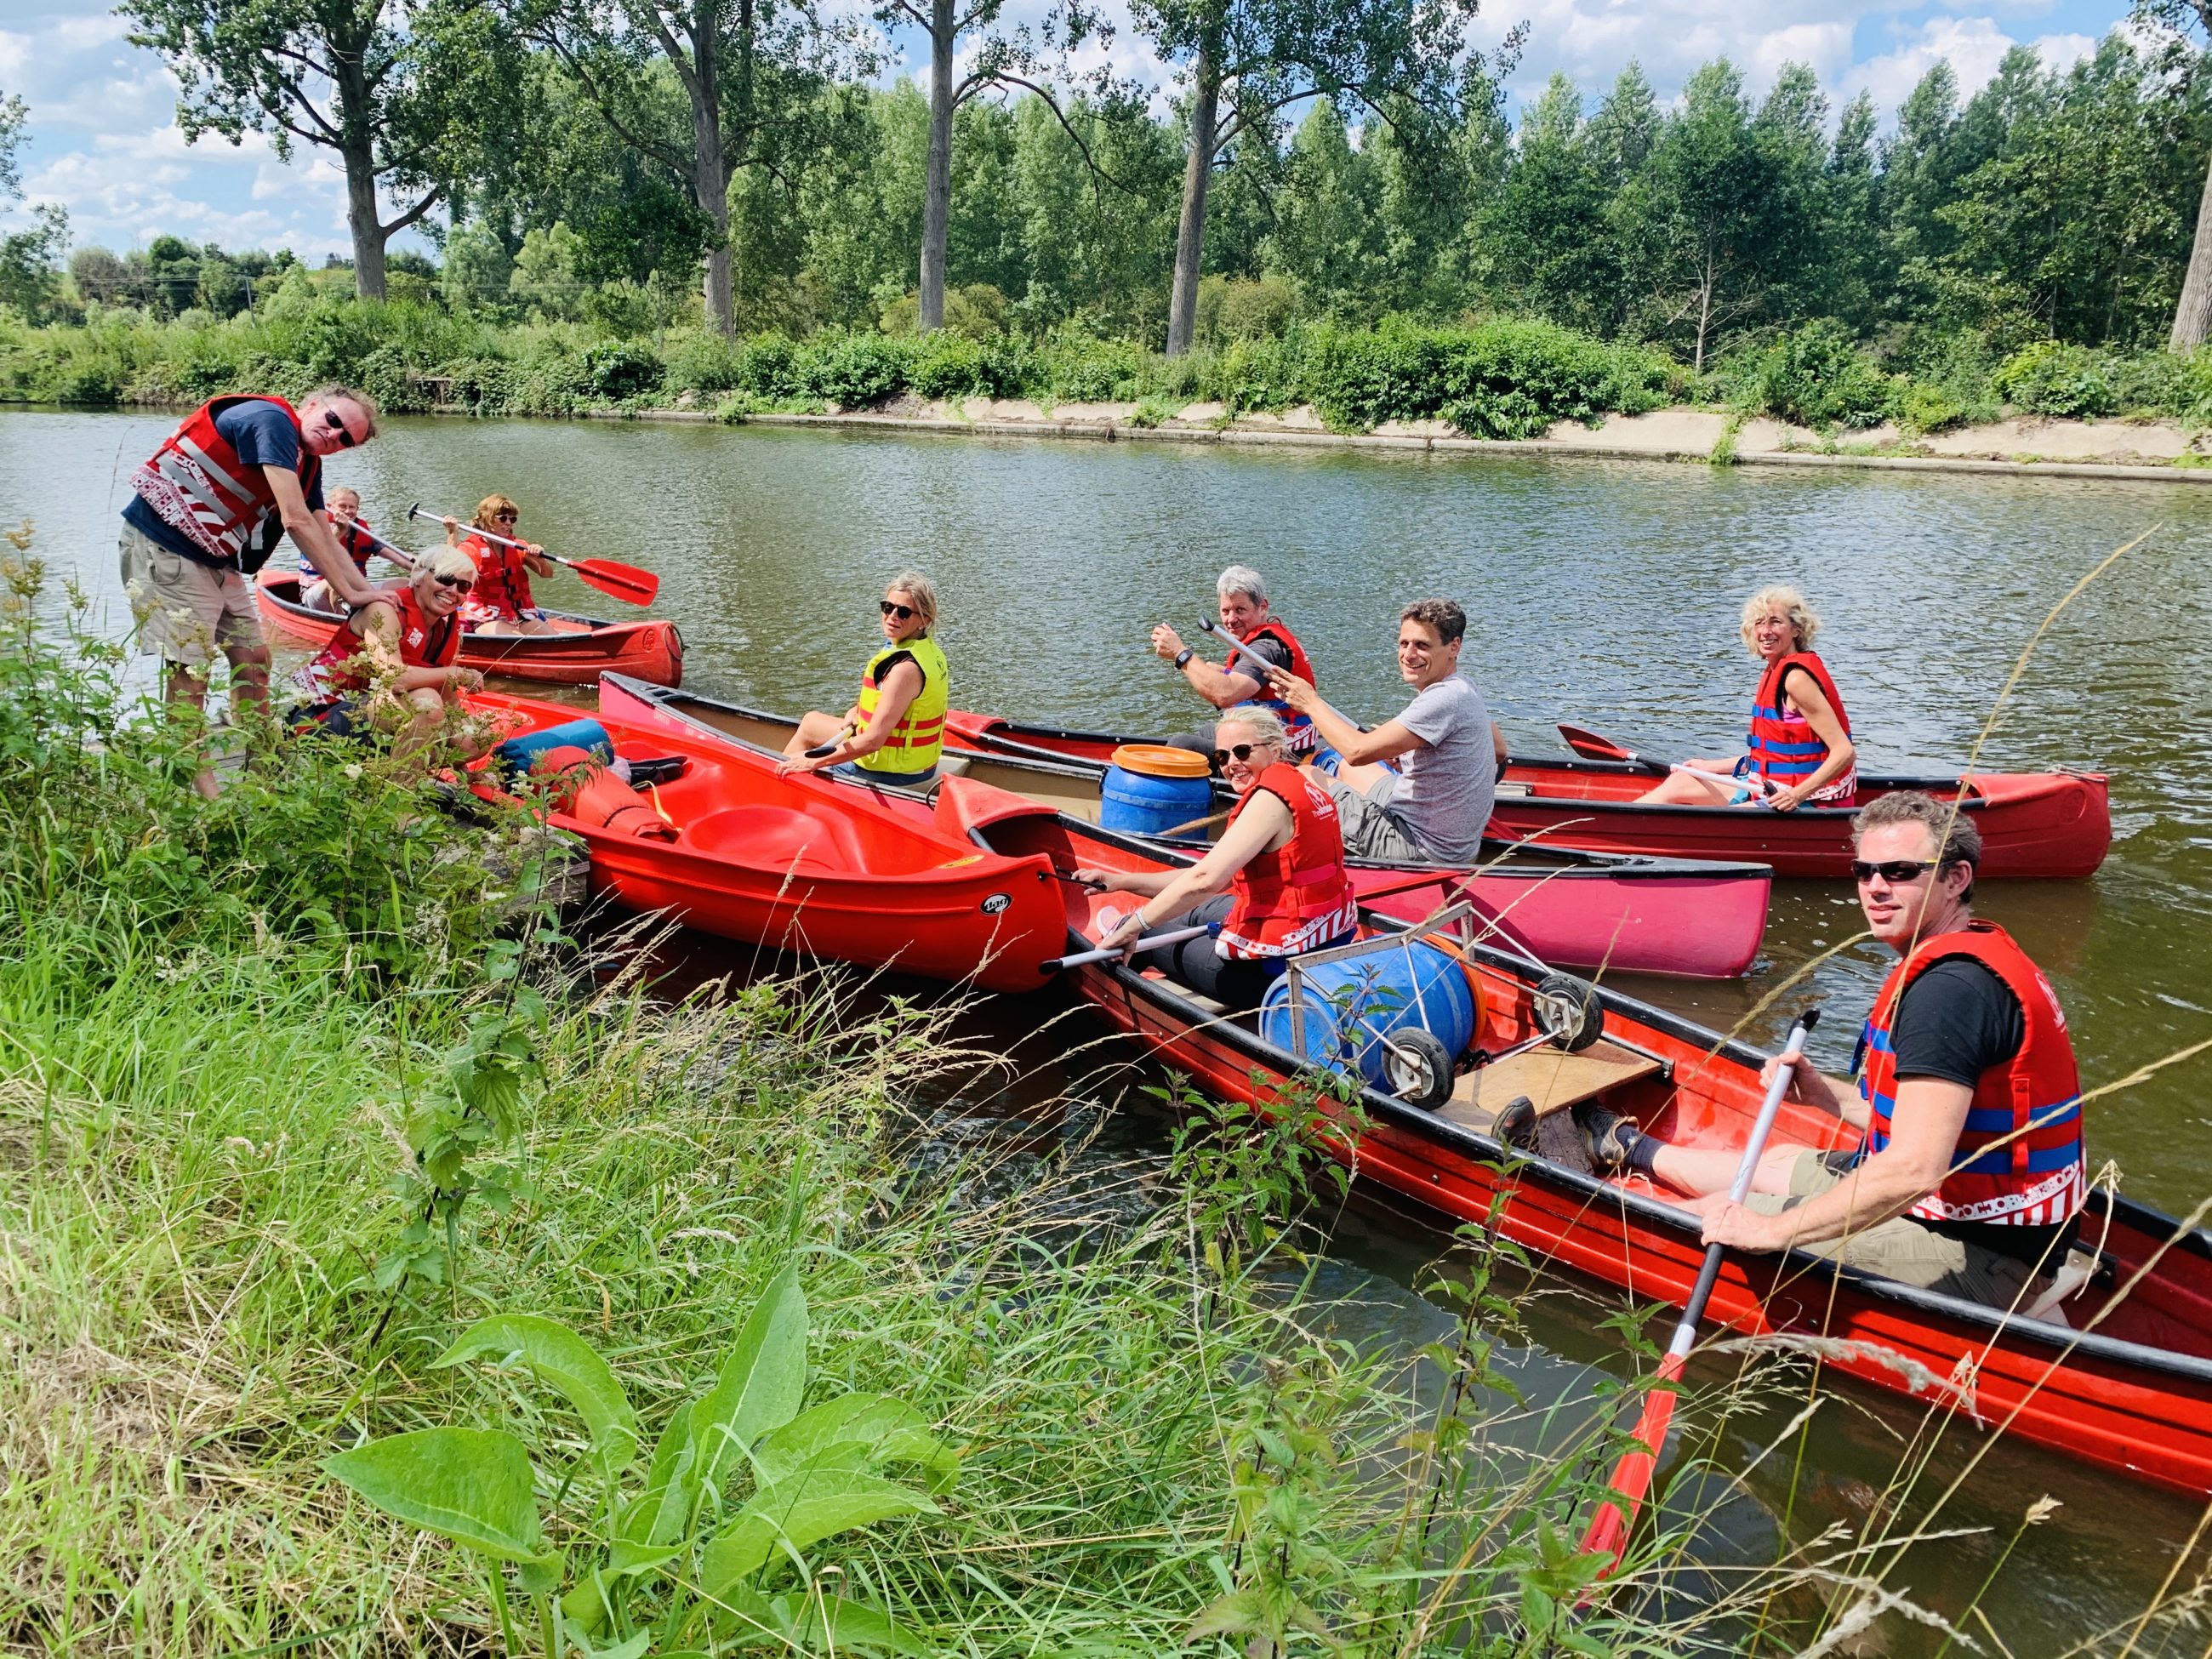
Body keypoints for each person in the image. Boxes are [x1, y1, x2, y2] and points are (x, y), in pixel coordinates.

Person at [1514, 791, 2085, 1312]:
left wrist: (1770, 1232)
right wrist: (1826, 1095)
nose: (1876, 888)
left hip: (1983, 1252)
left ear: (1956, 878)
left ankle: (1567, 1228)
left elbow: (1914, 1169)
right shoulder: (1968, 954)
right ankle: (1627, 1149)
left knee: (1716, 1218)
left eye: (1901, 873)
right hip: (1966, 1218)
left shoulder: (1949, 994)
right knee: (1780, 1164)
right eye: (1865, 872)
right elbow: (1920, 1121)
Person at [119, 385, 383, 792]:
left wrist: (370, 594)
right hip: (165, 546)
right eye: (333, 421)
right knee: (192, 671)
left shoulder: (306, 461)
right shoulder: (273, 422)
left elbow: (324, 534)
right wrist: (352, 597)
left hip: (213, 557)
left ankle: (258, 767)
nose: (335, 435)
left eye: (346, 439)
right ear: (312, 404)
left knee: (255, 657)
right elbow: (296, 521)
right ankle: (204, 793)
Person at [1077, 709, 1359, 1012]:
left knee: (1142, 931)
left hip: (1269, 976)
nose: (1231, 764)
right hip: (1321, 939)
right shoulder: (1300, 784)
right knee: (1202, 908)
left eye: (1242, 751)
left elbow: (1204, 881)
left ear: (1275, 750)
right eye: (1222, 757)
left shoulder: (1269, 801)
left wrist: (1133, 925)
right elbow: (1206, 874)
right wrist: (1122, 883)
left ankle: (1108, 1001)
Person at [1264, 599, 1507, 866]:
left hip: (1420, 848)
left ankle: (1294, 868)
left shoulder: (1444, 699)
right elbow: (1499, 750)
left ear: (1454, 647)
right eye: (1404, 644)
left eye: (1422, 645)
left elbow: (1357, 751)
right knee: (1346, 767)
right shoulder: (1463, 687)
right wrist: (1417, 756)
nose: (1408, 655)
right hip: (1438, 830)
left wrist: (1310, 702)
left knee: (1303, 777)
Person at [1639, 585, 1857, 811]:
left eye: (1775, 622)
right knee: (1679, 781)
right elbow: (1771, 756)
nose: (1765, 631)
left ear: (1796, 629)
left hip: (1811, 801)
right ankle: (1611, 826)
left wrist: (1796, 796)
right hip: (1774, 786)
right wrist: (1708, 766)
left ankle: (1611, 832)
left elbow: (1844, 752)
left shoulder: (1796, 680)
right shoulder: (1775, 671)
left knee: (1723, 818)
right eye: (1759, 623)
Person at [289, 547, 488, 760]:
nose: (453, 591)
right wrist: (458, 673)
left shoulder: (445, 630)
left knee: (480, 736)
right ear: (419, 576)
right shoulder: (384, 611)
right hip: (320, 718)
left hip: (375, 716)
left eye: (463, 586)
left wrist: (465, 763)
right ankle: (404, 783)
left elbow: (449, 698)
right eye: (445, 578)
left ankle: (411, 774)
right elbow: (394, 678)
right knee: (425, 702)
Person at [779, 573, 949, 785]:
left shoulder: (905, 670)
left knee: (788, 762)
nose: (892, 616)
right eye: (888, 607)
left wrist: (813, 762)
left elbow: (873, 741)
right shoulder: (924, 650)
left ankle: (774, 787)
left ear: (924, 621)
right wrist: (857, 710)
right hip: (910, 762)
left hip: (889, 771)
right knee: (810, 722)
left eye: (904, 612)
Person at [1149, 565, 1320, 761]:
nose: (1231, 619)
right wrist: (1224, 673)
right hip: (1264, 737)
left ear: (1262, 607)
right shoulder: (1264, 640)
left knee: (1181, 745)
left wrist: (1180, 653)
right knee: (1208, 730)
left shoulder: (1265, 648)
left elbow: (1224, 695)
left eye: (1240, 610)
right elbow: (1256, 686)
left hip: (1282, 752)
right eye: (1225, 610)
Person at [442, 496, 556, 636]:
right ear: (488, 519)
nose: (509, 523)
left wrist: (540, 558)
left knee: (555, 640)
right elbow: (447, 573)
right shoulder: (471, 549)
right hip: (487, 618)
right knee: (521, 642)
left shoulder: (517, 546)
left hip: (519, 615)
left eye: (512, 519)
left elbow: (547, 574)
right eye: (503, 518)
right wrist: (453, 535)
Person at [298, 487, 401, 612]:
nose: (347, 511)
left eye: (352, 507)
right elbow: (322, 551)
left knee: (404, 583)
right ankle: (342, 622)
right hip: (316, 591)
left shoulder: (362, 531)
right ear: (330, 507)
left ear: (357, 509)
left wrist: (422, 565)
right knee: (335, 583)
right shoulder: (317, 525)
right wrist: (339, 531)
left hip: (356, 591)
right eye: (342, 506)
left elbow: (399, 557)